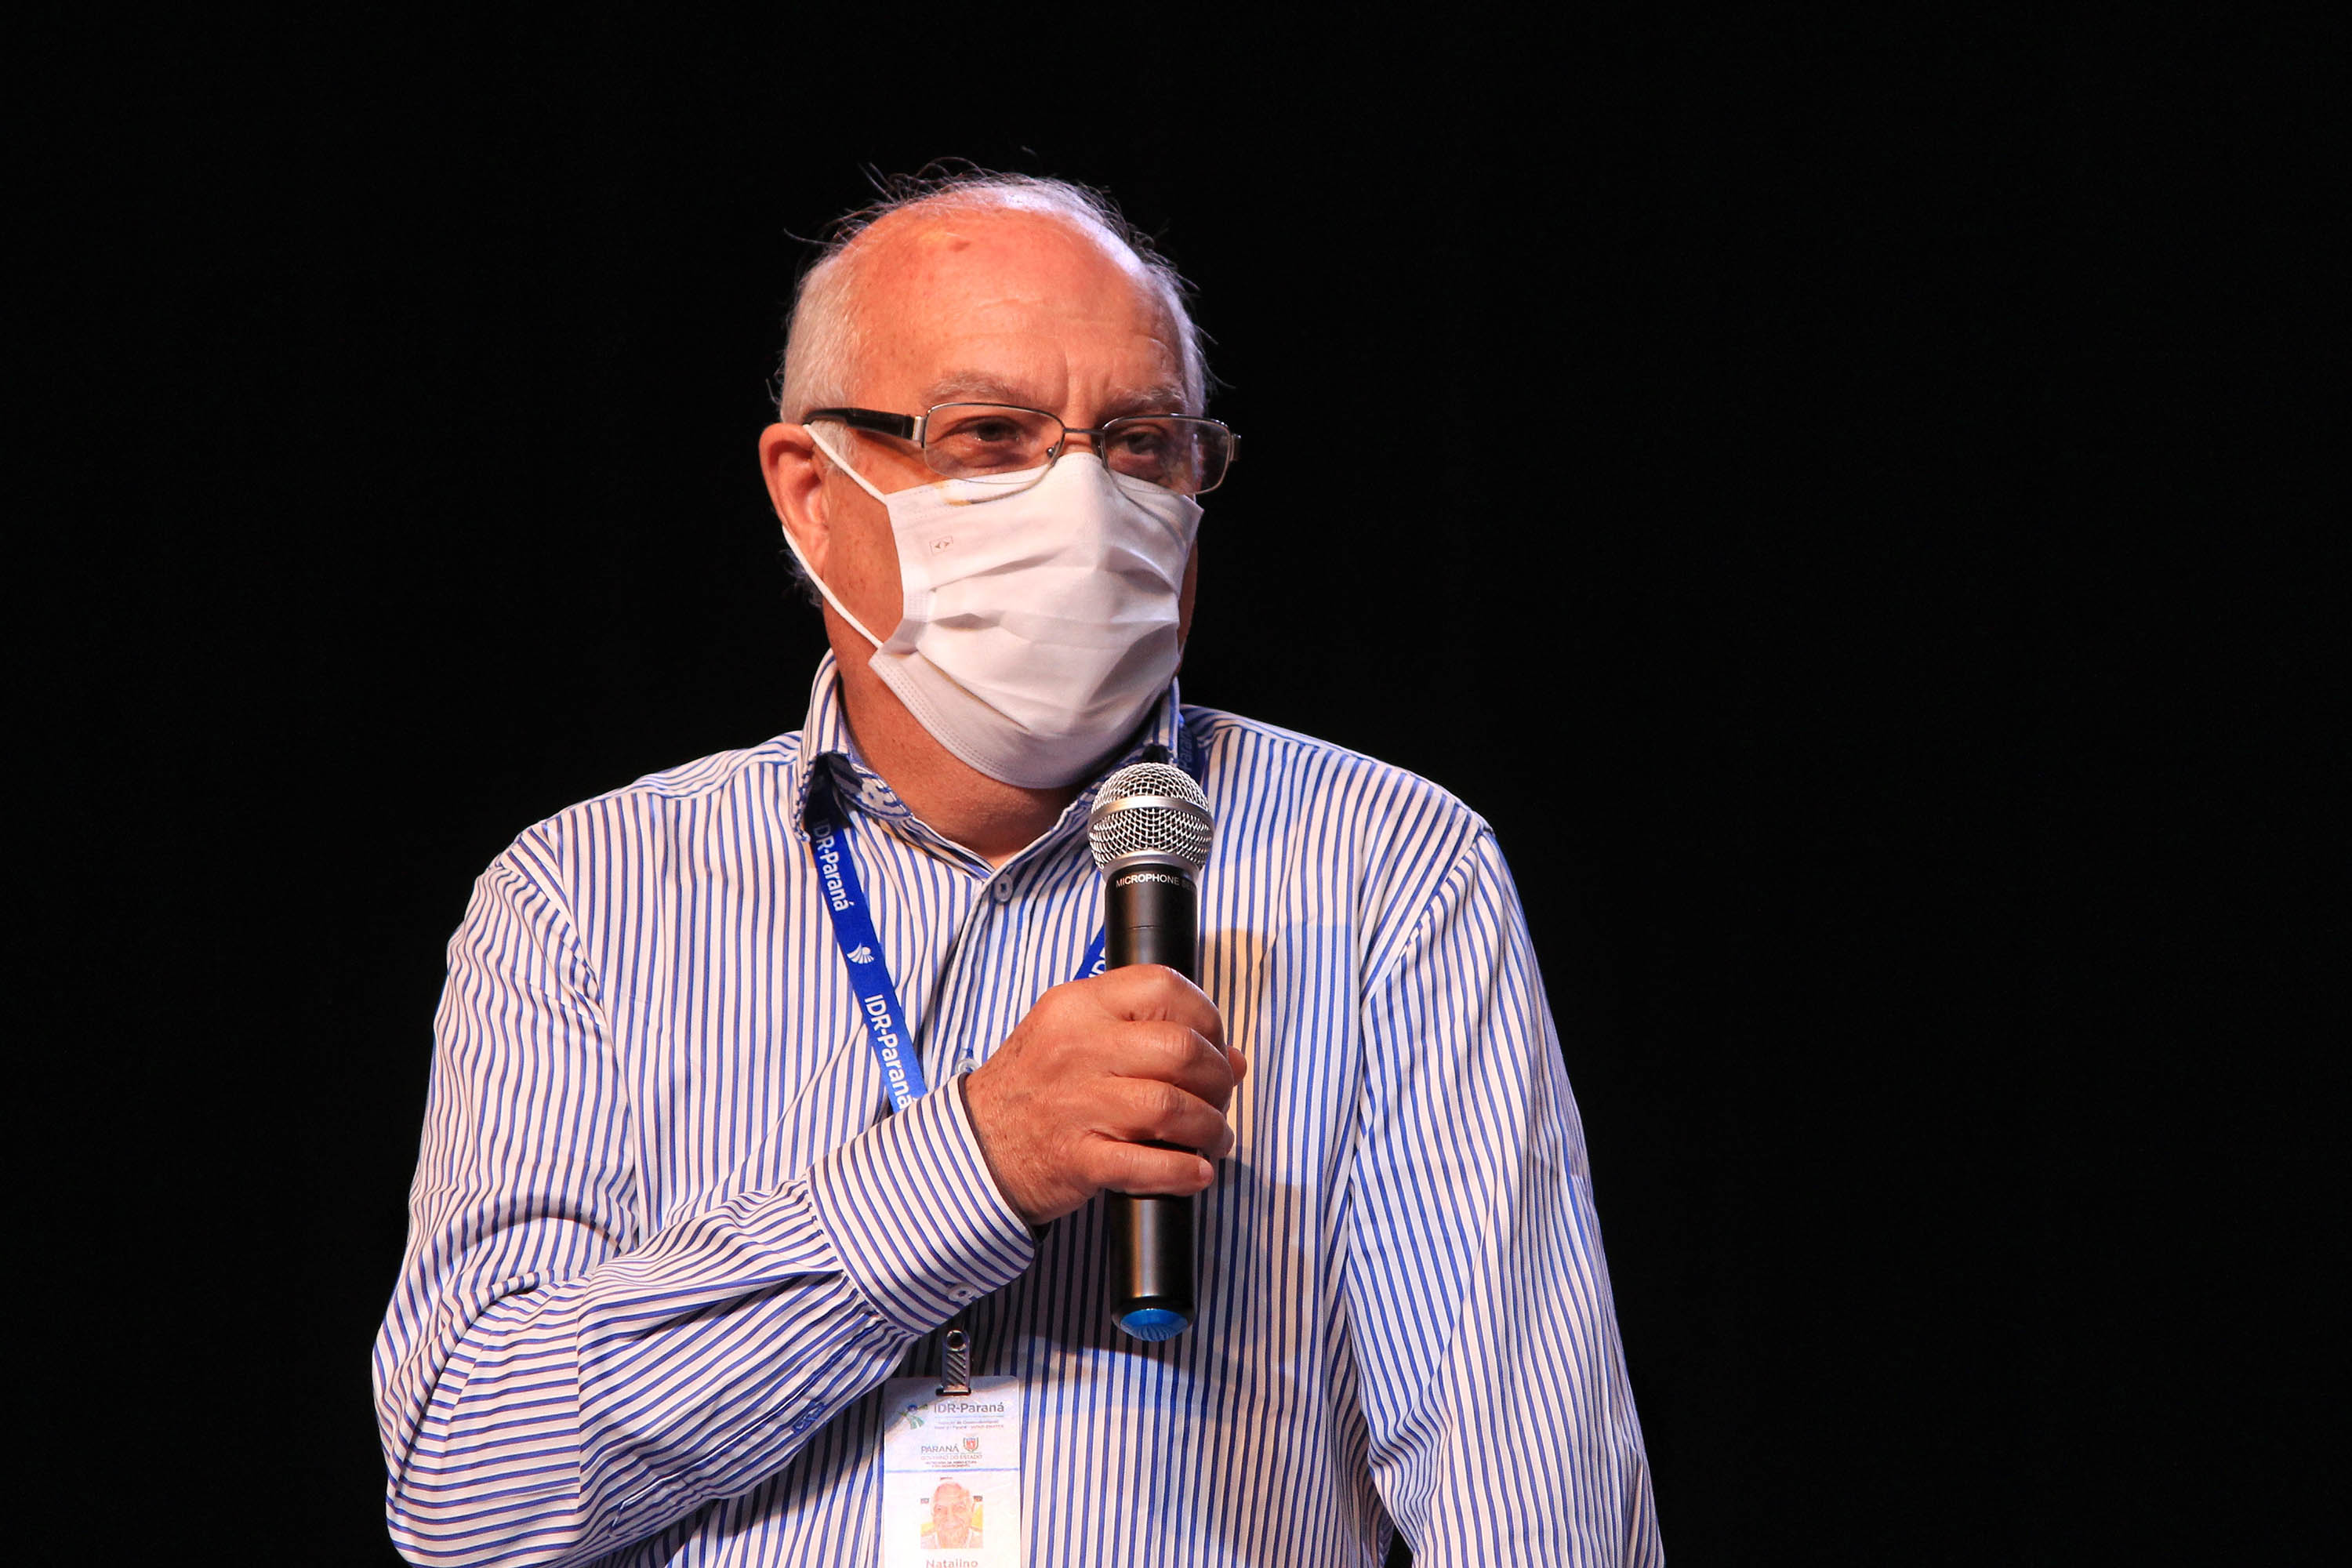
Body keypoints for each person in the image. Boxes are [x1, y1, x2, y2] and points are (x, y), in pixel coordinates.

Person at [373, 172, 1661, 1566]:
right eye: (990, 436)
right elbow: (465, 1496)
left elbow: (1536, 1507)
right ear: (811, 493)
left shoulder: (1386, 870)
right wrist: (973, 1166)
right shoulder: (587, 895)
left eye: (1142, 443)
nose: (1084, 503)